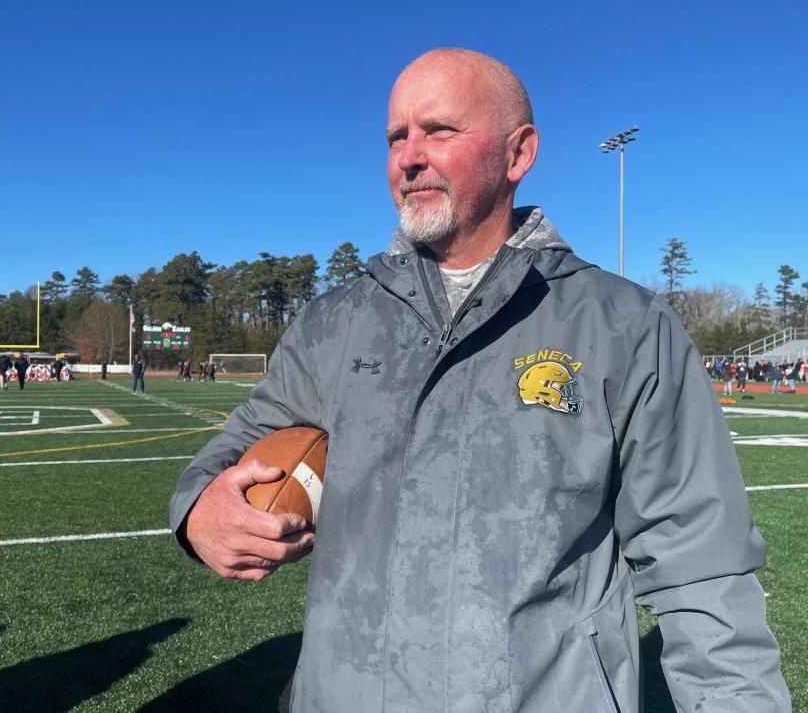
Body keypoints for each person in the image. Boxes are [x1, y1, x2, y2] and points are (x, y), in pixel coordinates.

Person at [169, 49, 790, 712]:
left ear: (517, 154)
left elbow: (700, 559)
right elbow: (231, 454)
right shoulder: (336, 321)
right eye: (396, 138)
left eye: (437, 131)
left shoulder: (625, 325)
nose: (410, 156)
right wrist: (200, 512)